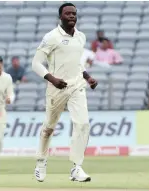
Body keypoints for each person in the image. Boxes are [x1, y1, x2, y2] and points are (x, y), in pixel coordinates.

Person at [31, 3, 98, 183]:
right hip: (56, 88)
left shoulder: (81, 37)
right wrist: (52, 79)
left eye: (74, 13)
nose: (71, 16)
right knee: (49, 127)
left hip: (77, 86)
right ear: (60, 17)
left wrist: (87, 77)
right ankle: (41, 161)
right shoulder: (51, 37)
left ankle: (76, 167)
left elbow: (76, 63)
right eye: (67, 13)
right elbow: (36, 64)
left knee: (83, 124)